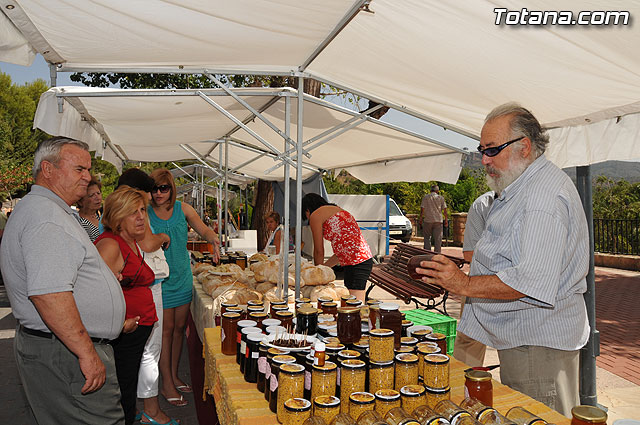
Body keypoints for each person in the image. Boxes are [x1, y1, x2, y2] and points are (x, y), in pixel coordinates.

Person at [416, 103, 589, 416]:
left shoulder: (542, 198)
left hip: (538, 343)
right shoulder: (522, 187)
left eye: (492, 150)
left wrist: (463, 283)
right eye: (482, 150)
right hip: (527, 339)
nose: (484, 160)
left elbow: (530, 281)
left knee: (538, 419)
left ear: (524, 147)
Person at [0, 136, 127, 424]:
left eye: (88, 169)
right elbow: (49, 294)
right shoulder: (46, 217)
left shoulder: (48, 210)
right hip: (65, 353)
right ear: (48, 169)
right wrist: (86, 353)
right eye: (79, 169)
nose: (88, 177)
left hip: (59, 348)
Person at [148, 168, 220, 407]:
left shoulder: (184, 209)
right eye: (154, 188)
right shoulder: (145, 212)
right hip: (159, 280)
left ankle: (174, 375)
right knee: (165, 332)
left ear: (171, 188)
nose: (158, 193)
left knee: (179, 329)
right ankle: (166, 383)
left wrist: (213, 239)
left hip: (182, 278)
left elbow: (204, 229)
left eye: (163, 188)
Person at [116, 169, 176, 425]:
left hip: (139, 288)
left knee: (137, 354)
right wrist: (163, 237)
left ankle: (133, 408)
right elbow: (148, 243)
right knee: (150, 351)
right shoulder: (132, 214)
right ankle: (151, 410)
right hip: (144, 289)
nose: (152, 198)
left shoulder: (119, 214)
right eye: (148, 192)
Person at [95, 186, 158, 425]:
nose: (141, 217)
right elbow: (94, 294)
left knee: (127, 387)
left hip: (133, 334)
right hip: (123, 336)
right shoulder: (111, 245)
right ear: (118, 216)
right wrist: (121, 325)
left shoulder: (129, 241)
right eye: (133, 212)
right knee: (122, 391)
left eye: (142, 210)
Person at [301, 193, 373, 301]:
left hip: (356, 262)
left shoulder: (315, 215)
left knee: (355, 304)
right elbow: (342, 251)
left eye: (305, 215)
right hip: (361, 259)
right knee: (352, 302)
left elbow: (318, 250)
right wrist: (324, 268)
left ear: (307, 210)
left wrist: (317, 275)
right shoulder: (337, 210)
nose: (308, 218)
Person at [453, 191, 494, 367]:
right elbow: (469, 254)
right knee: (470, 340)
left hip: (522, 290)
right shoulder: (483, 204)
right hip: (482, 285)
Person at [420, 184, 448, 253]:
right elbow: (445, 210)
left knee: (427, 238)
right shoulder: (441, 198)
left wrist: (420, 219)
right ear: (437, 191)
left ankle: (427, 253)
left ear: (430, 190)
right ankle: (437, 254)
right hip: (438, 220)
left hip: (428, 220)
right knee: (438, 239)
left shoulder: (426, 197)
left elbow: (422, 209)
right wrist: (446, 220)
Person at [77, 175, 103, 242]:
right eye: (91, 195)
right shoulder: (82, 224)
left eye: (98, 193)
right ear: (80, 201)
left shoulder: (97, 216)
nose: (97, 198)